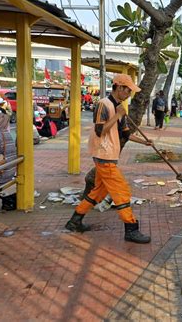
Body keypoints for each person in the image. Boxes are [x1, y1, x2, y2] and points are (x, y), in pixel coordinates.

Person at [65, 74, 151, 244]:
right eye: (128, 90)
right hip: (104, 155)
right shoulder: (104, 104)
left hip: (109, 155)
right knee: (122, 192)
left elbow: (125, 133)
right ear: (119, 87)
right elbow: (100, 131)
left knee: (99, 191)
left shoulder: (119, 107)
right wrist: (117, 115)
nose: (129, 94)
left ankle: (74, 221)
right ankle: (131, 228)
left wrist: (145, 142)